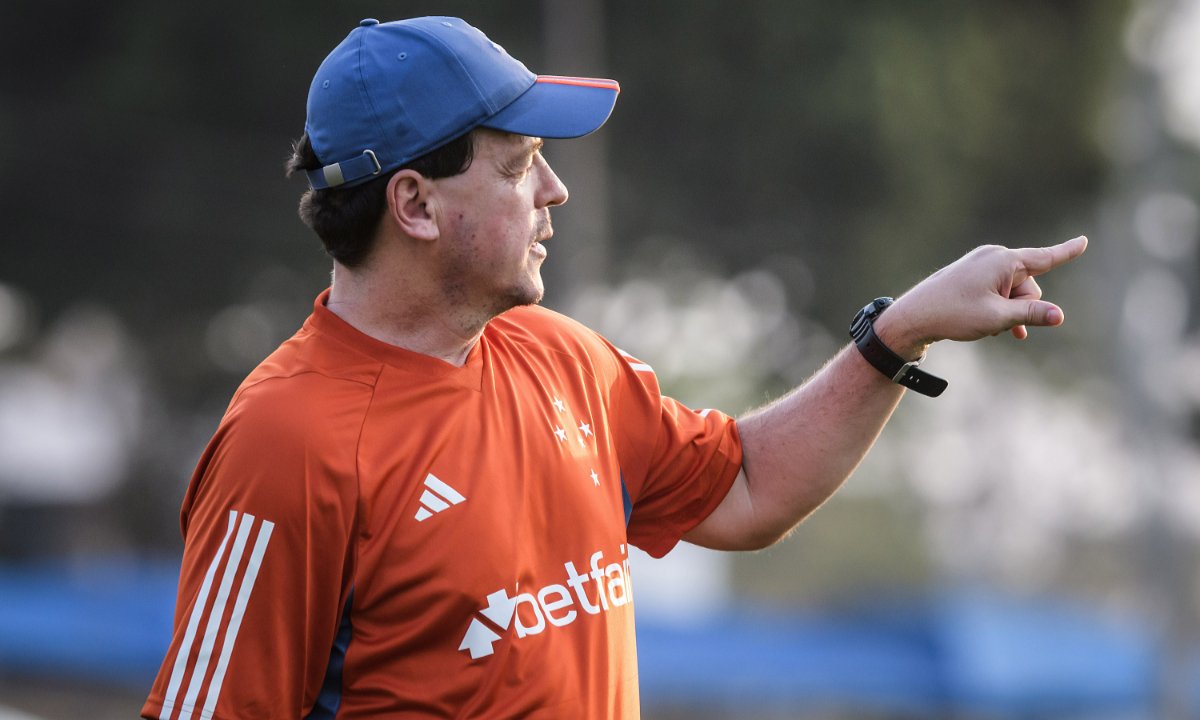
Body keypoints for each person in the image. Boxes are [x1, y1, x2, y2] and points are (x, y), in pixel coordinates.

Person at [142, 16, 1088, 720]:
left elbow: (748, 489)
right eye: (517, 169)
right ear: (416, 205)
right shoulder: (288, 442)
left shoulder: (562, 360)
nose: (554, 191)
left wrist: (901, 331)